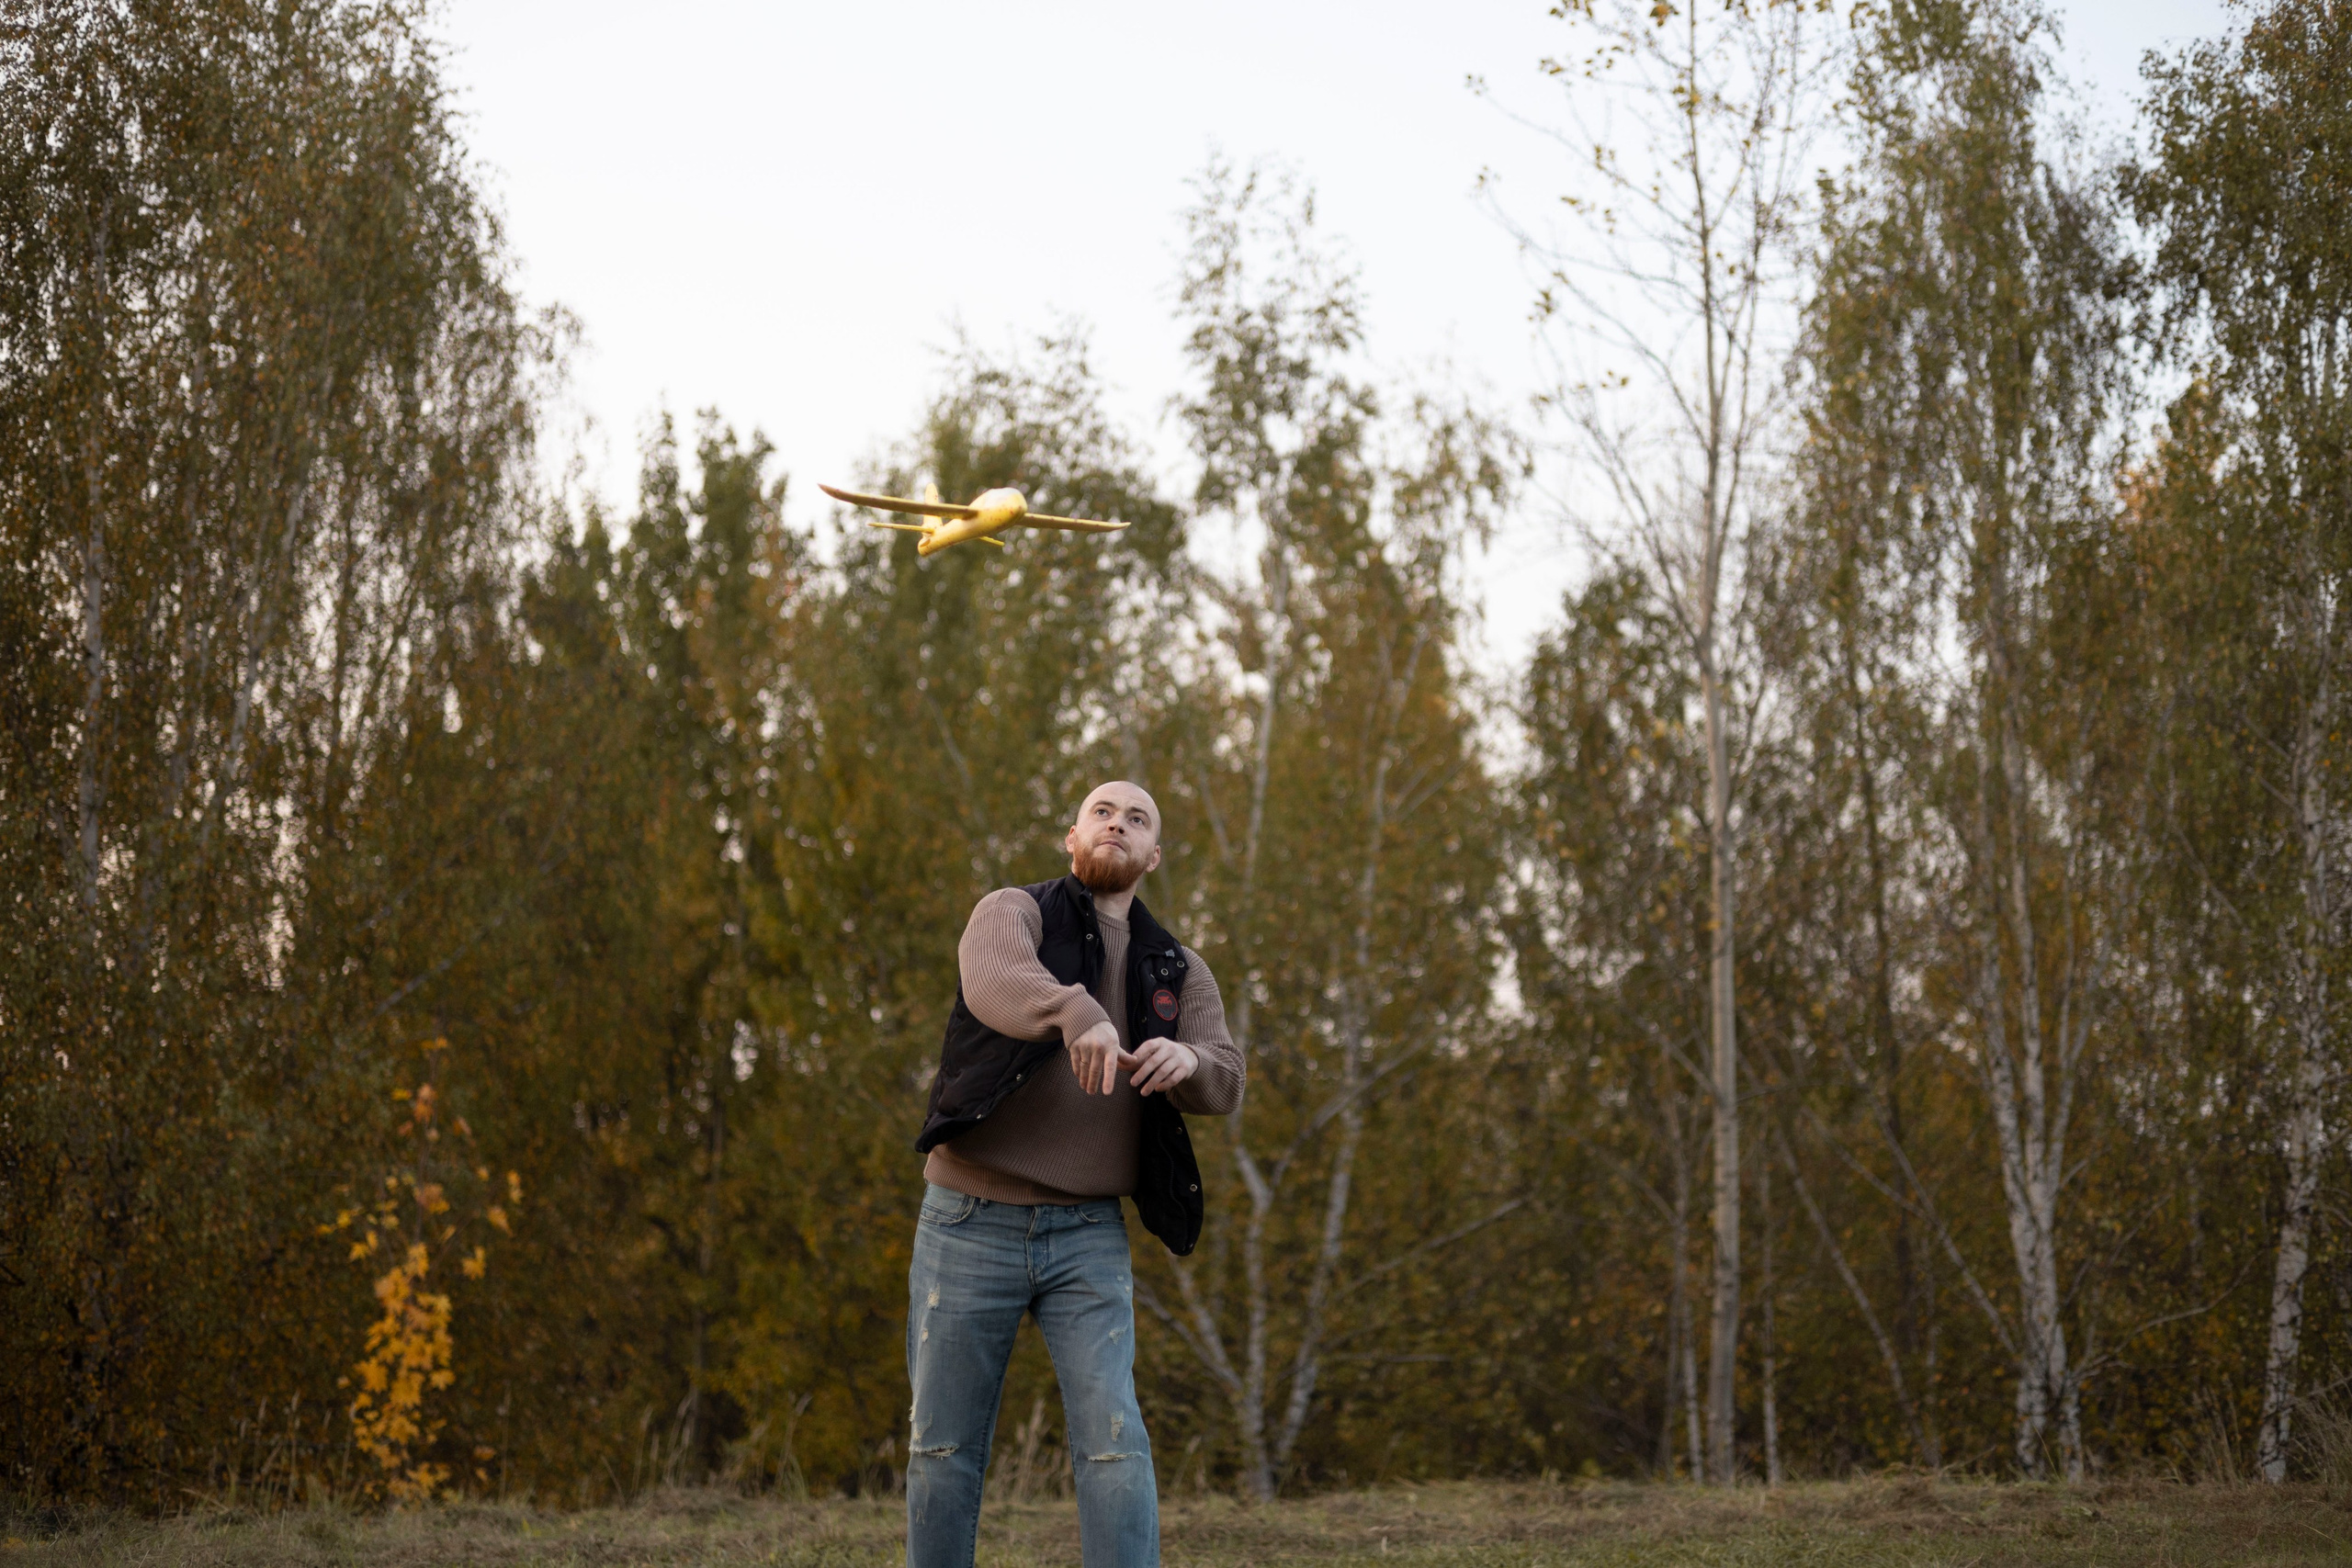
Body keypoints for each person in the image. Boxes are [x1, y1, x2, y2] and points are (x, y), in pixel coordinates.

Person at [906, 781, 1243, 1568]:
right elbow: (992, 979)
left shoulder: (1178, 968)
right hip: (967, 1214)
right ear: (1072, 836)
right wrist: (1075, 1009)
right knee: (942, 1447)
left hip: (1088, 1232)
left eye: (1136, 818)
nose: (1116, 823)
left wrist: (1188, 1058)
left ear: (1152, 856)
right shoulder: (1013, 911)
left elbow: (1227, 1075)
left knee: (1114, 1442)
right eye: (1102, 811)